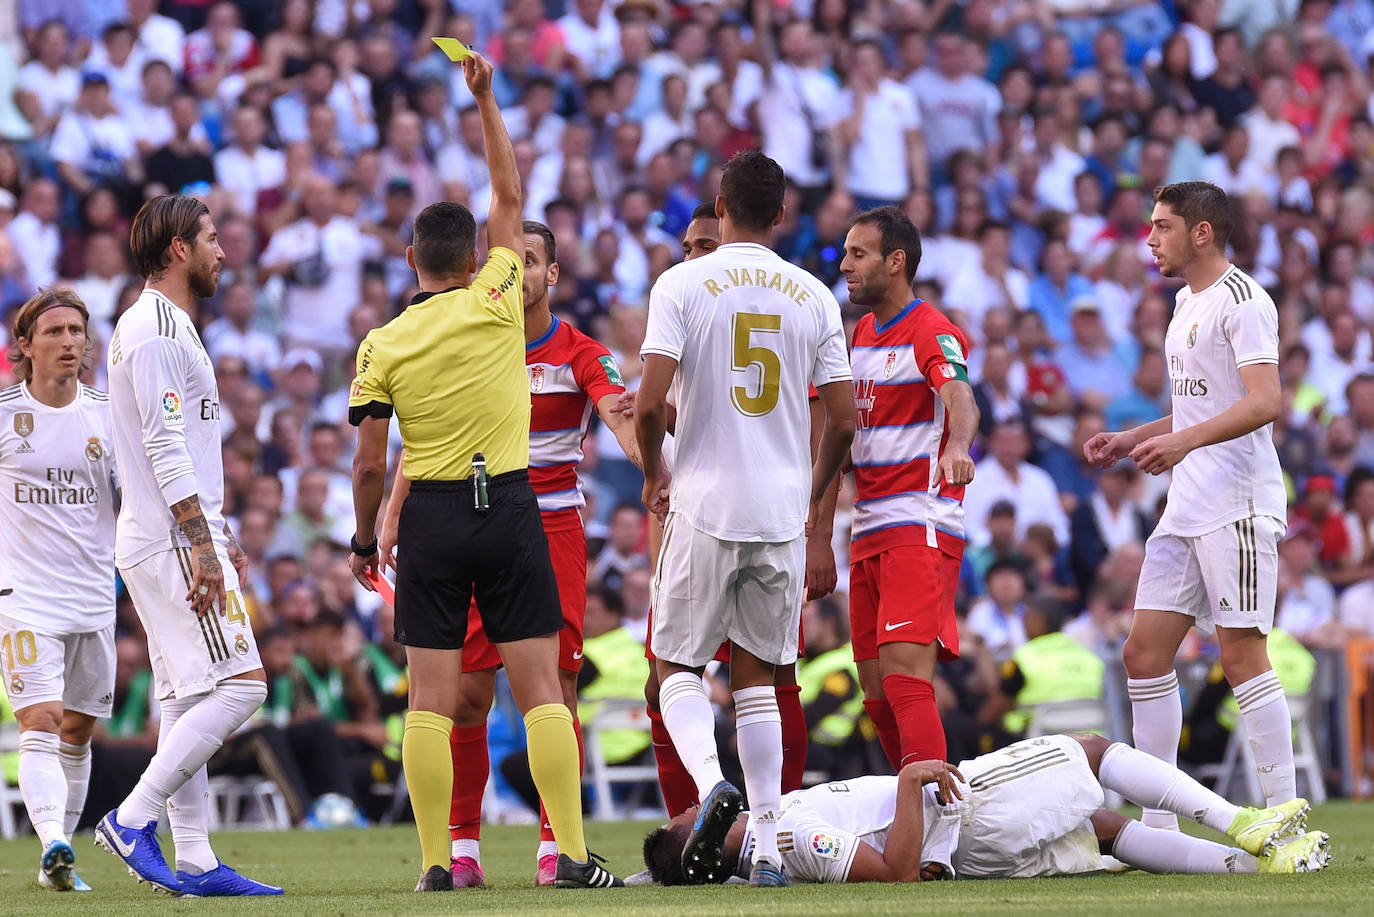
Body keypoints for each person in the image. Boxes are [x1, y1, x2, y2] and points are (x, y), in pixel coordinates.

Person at [346, 51, 621, 892]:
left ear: (408, 259)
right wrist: (486, 99)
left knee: (431, 699)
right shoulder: (501, 296)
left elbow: (367, 461)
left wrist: (367, 537)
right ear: (475, 259)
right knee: (543, 689)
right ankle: (567, 854)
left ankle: (439, 862)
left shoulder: (380, 344)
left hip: (428, 513)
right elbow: (509, 196)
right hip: (507, 505)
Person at [374, 219, 639, 888]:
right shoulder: (469, 336)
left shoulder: (579, 350)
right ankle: (462, 848)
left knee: (557, 687)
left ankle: (556, 848)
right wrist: (394, 503)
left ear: (551, 274)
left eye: (530, 260)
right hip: (474, 519)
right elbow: (433, 432)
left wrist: (648, 460)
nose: (517, 271)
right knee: (466, 692)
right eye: (506, 260)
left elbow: (616, 408)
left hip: (551, 530)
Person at [634, 149, 854, 887]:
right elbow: (846, 421)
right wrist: (811, 496)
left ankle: (707, 789)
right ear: (781, 215)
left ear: (720, 208)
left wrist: (652, 470)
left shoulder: (683, 283)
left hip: (705, 498)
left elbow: (647, 401)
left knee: (674, 663)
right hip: (780, 512)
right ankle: (763, 845)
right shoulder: (816, 294)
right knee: (759, 675)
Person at [1084, 181, 1293, 832]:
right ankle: (1160, 820)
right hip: (1186, 500)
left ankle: (1285, 814)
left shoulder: (1243, 300)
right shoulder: (1183, 301)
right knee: (1143, 652)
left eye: (1163, 226)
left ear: (1202, 232)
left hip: (1236, 500)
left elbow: (1265, 401)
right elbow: (1201, 408)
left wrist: (1180, 441)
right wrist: (1137, 436)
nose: (1150, 239)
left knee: (1240, 652)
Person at [97, 194, 279, 897]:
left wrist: (217, 533)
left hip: (166, 532)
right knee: (243, 686)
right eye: (210, 239)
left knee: (186, 693)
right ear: (178, 250)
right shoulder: (158, 328)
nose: (222, 252)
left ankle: (197, 857)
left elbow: (181, 451)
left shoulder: (153, 326)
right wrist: (201, 542)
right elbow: (165, 445)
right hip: (172, 537)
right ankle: (133, 818)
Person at [618, 202, 820, 830]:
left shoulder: (703, 301)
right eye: (688, 247)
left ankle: (773, 824)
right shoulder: (706, 317)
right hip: (721, 517)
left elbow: (810, 419)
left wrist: (819, 529)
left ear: (729, 231)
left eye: (707, 243)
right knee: (690, 683)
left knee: (764, 679)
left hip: (727, 511)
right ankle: (699, 830)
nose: (697, 256)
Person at [640, 734, 1328, 884]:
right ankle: (1245, 822)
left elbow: (661, 875)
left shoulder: (764, 839)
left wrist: (647, 874)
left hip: (968, 838)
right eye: (686, 821)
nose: (697, 807)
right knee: (1089, 748)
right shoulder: (788, 833)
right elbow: (896, 873)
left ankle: (1256, 864)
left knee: (1107, 831)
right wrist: (910, 781)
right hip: (965, 811)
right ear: (698, 842)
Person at [837, 206, 979, 769]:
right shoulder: (861, 334)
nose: (845, 265)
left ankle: (936, 835)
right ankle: (917, 812)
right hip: (867, 526)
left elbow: (961, 399)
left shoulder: (932, 331)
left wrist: (958, 446)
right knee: (874, 693)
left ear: (896, 262)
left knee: (904, 680)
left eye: (857, 254)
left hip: (917, 523)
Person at [0, 289, 119, 892]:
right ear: (25, 345)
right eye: (54, 332)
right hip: (22, 597)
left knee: (77, 729)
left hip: (94, 597)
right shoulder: (2, 417)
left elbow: (140, 502)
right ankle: (52, 841)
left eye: (77, 330)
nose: (69, 341)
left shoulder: (107, 415)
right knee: (41, 720)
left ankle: (59, 867)